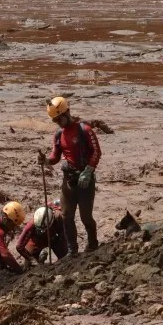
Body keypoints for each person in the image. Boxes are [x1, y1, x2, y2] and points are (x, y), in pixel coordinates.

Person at [38, 96, 100, 255]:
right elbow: (55, 156)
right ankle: (72, 250)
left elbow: (96, 151)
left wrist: (88, 171)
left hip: (85, 182)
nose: (59, 122)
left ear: (67, 112)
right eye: (55, 120)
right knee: (66, 216)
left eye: (60, 118)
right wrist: (46, 161)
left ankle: (93, 244)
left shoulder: (84, 129)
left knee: (86, 217)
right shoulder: (59, 134)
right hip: (69, 182)